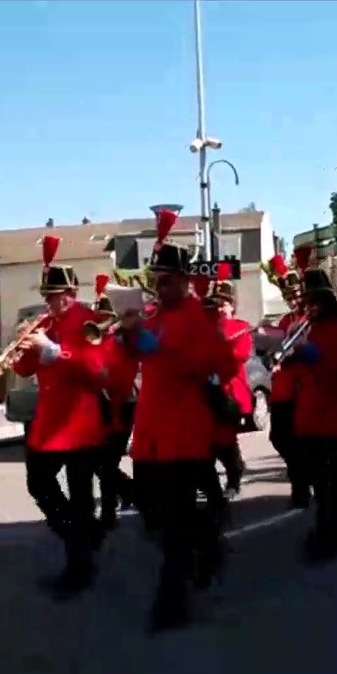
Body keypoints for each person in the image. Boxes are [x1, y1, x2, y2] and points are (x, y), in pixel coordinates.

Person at [119, 213, 228, 632]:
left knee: (176, 519)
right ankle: (207, 541)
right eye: (156, 280)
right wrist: (128, 336)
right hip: (149, 432)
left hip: (183, 431)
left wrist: (152, 345)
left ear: (184, 280)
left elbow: (201, 365)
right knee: (152, 513)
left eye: (167, 280)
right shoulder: (153, 316)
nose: (160, 287)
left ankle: (171, 601)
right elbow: (130, 360)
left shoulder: (195, 318)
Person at [8, 236, 107, 593]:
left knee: (81, 495)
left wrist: (55, 351)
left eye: (62, 294)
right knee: (39, 484)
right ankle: (80, 535)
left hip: (79, 420)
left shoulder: (89, 321)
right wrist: (23, 347)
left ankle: (79, 563)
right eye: (50, 296)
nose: (56, 301)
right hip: (49, 421)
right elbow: (22, 371)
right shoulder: (45, 324)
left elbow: (97, 371)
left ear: (74, 292)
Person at [288, 264, 337, 560]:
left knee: (329, 478)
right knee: (319, 479)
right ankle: (328, 526)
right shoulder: (310, 330)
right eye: (309, 302)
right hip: (309, 414)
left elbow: (334, 366)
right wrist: (289, 356)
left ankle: (333, 530)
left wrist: (309, 352)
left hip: (331, 415)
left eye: (316, 302)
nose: (311, 307)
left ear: (328, 304)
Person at [265, 251, 310, 508]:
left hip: (304, 387)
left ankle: (301, 484)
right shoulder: (284, 321)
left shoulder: (311, 318)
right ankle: (301, 477)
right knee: (279, 437)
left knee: (301, 438)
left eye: (296, 295)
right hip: (284, 388)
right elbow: (278, 347)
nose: (292, 300)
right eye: (288, 296)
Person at [92, 275, 136, 527]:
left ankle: (110, 510)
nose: (99, 323)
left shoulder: (122, 341)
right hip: (101, 405)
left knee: (106, 462)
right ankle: (127, 493)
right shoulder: (94, 341)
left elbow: (124, 374)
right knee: (101, 462)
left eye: (104, 319)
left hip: (122, 404)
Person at [206, 265, 252, 501]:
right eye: (216, 304)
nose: (220, 308)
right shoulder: (206, 329)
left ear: (232, 305)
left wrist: (221, 343)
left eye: (224, 303)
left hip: (230, 392)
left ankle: (234, 476)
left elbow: (240, 356)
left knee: (224, 439)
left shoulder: (240, 327)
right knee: (207, 441)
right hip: (208, 391)